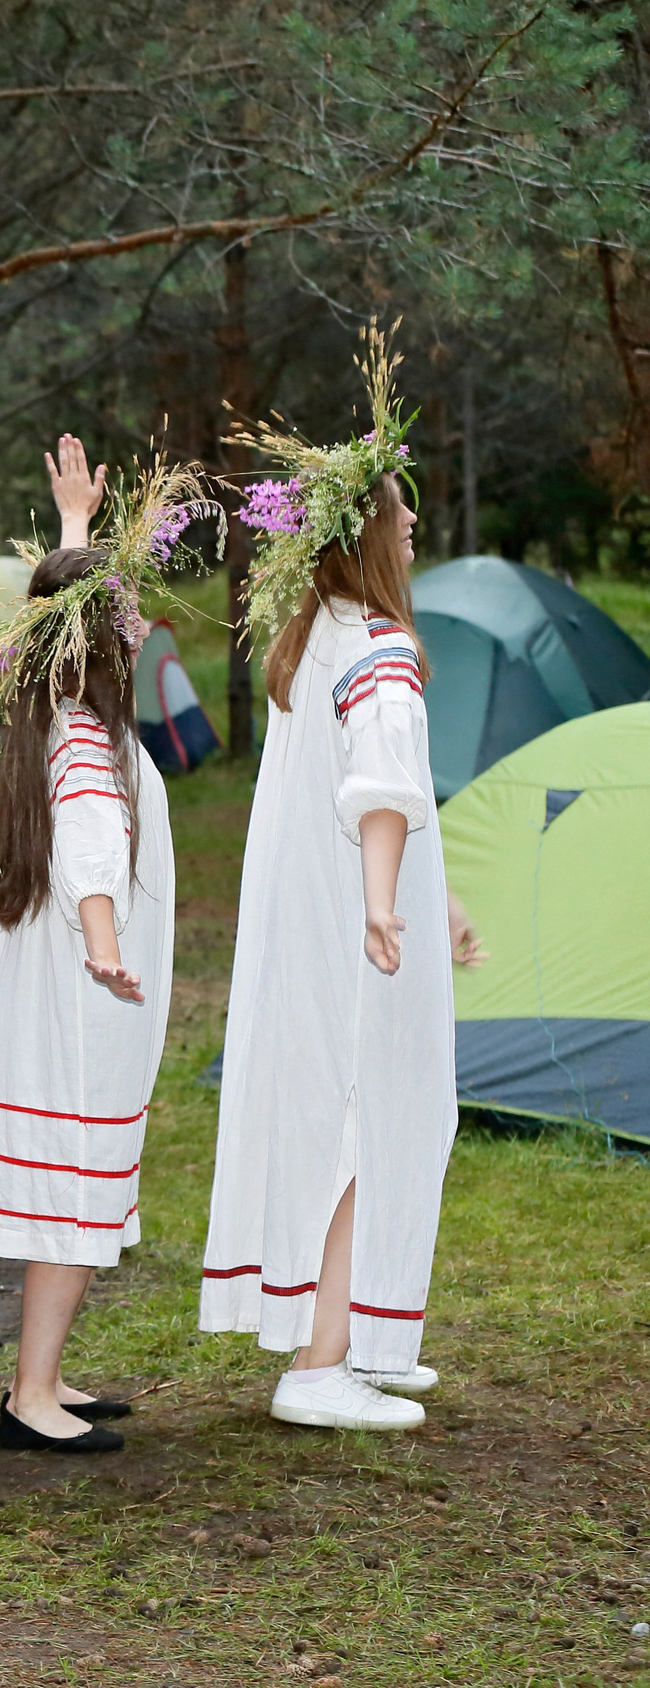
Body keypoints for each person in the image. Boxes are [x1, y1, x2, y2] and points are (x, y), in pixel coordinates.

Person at [201, 333, 483, 1431]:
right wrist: (383, 904)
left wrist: (431, 894)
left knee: (353, 1113)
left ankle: (359, 1332)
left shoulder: (310, 636)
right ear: (367, 535)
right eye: (399, 512)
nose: (412, 525)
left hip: (318, 922)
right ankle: (318, 1363)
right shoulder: (378, 647)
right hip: (355, 930)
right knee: (370, 1116)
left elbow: (387, 792)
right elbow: (377, 787)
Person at [0, 440, 196, 1455]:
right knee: (76, 1196)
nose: (136, 628)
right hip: (86, 1003)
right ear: (101, 648)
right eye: (124, 620)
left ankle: (45, 1374)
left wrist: (75, 525)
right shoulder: (84, 736)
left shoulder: (56, 707)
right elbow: (90, 846)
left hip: (70, 998)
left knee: (79, 1195)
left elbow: (65, 609)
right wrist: (103, 946)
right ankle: (30, 1395)